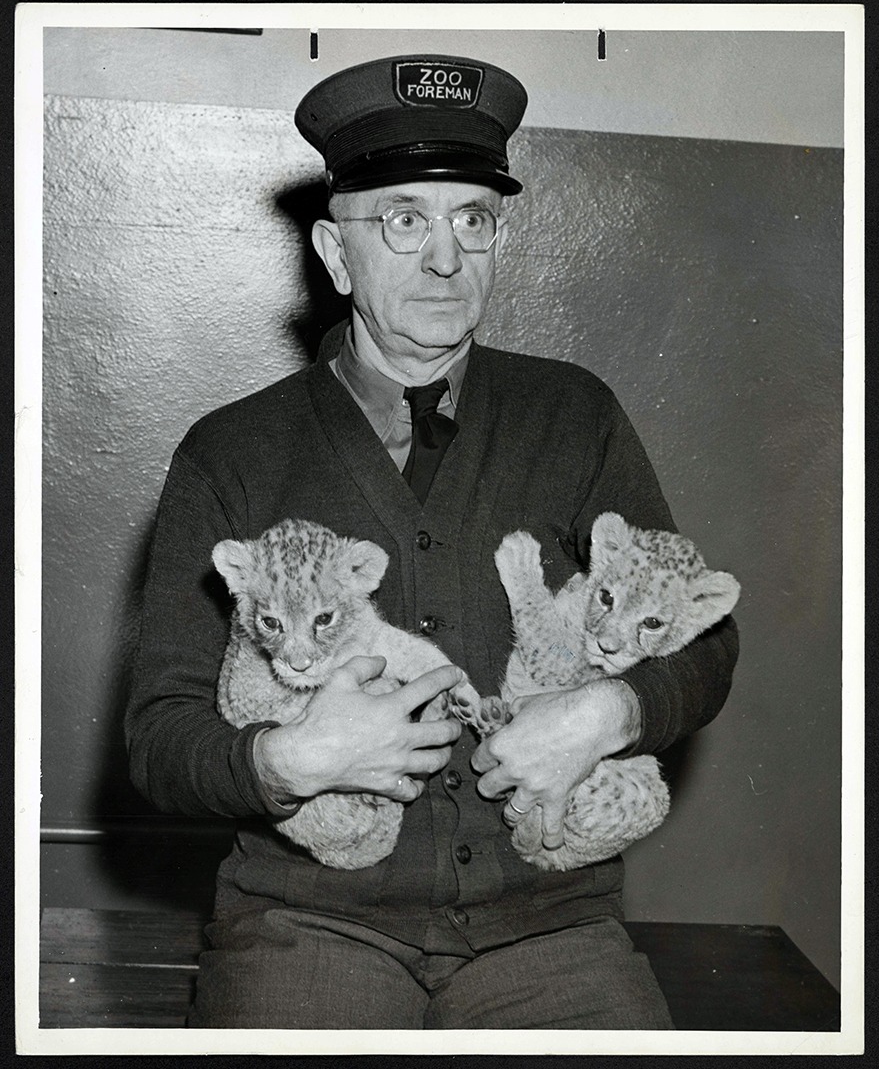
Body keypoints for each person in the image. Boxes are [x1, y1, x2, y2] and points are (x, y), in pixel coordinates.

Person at [125, 54, 738, 1030]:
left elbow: (704, 637)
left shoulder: (572, 415)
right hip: (310, 924)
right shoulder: (230, 452)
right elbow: (161, 738)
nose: (445, 259)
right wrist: (290, 759)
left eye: (472, 221)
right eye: (405, 220)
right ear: (335, 254)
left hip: (549, 927)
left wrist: (606, 714)